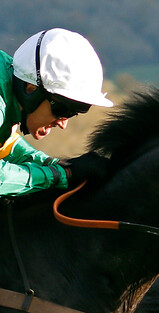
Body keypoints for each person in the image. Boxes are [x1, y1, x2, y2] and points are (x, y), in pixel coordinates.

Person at [1, 29, 113, 196]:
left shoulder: (12, 78)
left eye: (74, 112)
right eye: (64, 110)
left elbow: (6, 143)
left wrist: (51, 162)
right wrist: (61, 174)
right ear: (30, 89)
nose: (63, 123)